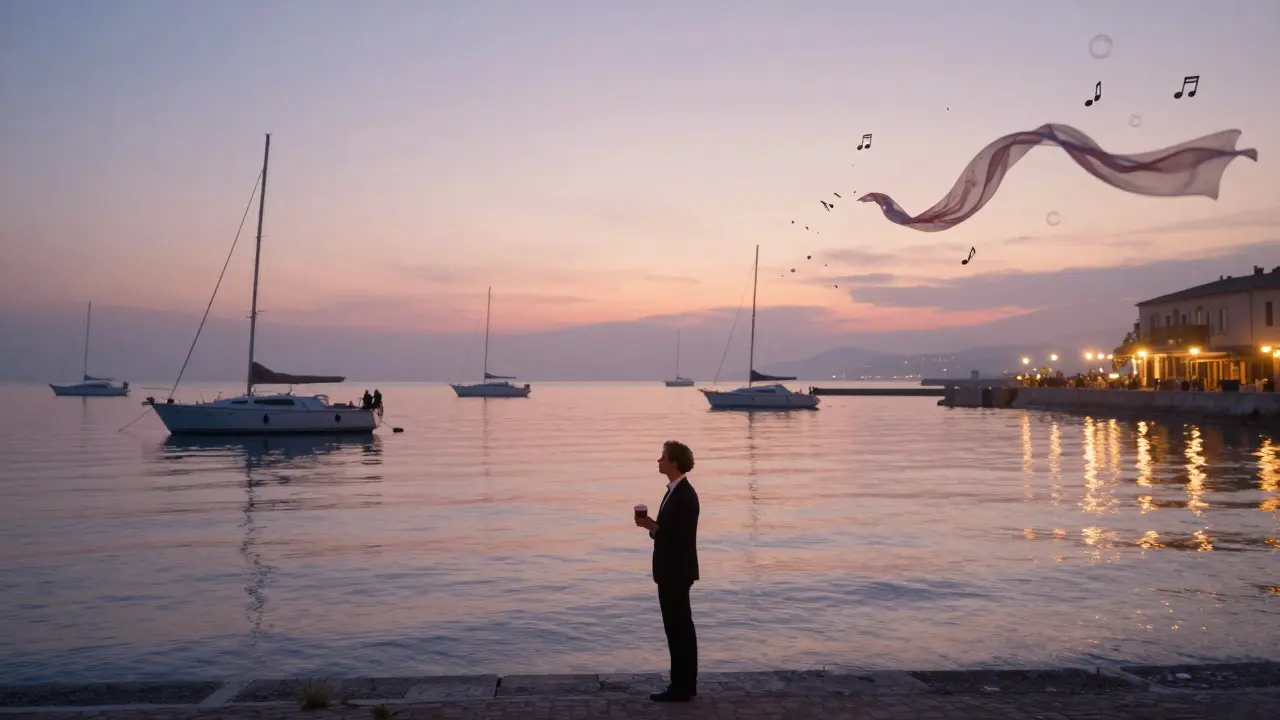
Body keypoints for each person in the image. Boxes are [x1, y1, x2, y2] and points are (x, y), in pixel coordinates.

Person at [634, 440, 700, 702]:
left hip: (676, 571)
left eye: (663, 457)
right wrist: (652, 527)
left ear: (674, 462)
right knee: (676, 627)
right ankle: (682, 683)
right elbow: (669, 533)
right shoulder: (675, 491)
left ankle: (682, 687)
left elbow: (676, 537)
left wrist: (652, 526)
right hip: (673, 570)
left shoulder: (684, 495)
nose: (659, 461)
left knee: (679, 628)